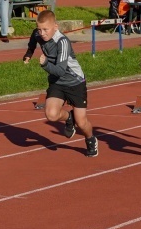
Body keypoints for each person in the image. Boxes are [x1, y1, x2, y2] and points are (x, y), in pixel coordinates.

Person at [34, 9, 98, 157]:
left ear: (55, 27)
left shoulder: (62, 42)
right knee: (51, 115)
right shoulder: (38, 34)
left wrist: (44, 65)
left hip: (75, 82)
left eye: (45, 30)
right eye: (39, 29)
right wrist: (29, 52)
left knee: (82, 123)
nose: (42, 33)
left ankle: (90, 139)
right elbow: (33, 37)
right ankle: (69, 118)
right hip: (57, 83)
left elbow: (60, 71)